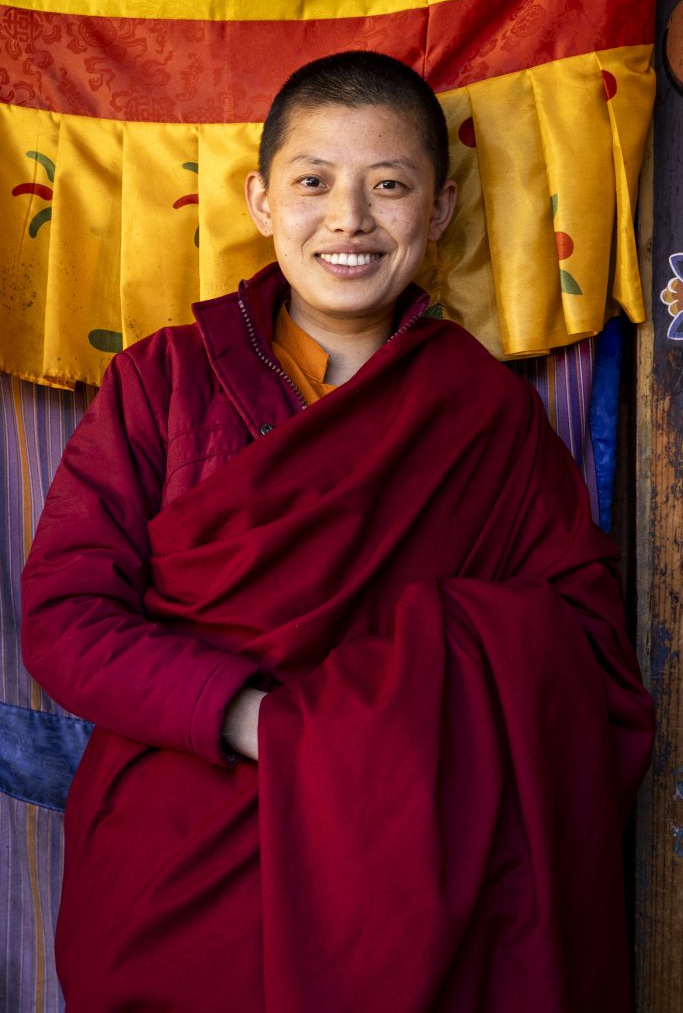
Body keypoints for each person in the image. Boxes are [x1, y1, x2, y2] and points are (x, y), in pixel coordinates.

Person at [21, 51, 653, 1013]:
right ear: (261, 201)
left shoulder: (481, 413)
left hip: (404, 849)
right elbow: (66, 617)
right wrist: (254, 721)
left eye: (388, 185)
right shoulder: (163, 381)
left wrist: (388, 711)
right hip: (186, 833)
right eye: (312, 182)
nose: (348, 218)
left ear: (439, 210)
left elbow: (586, 647)